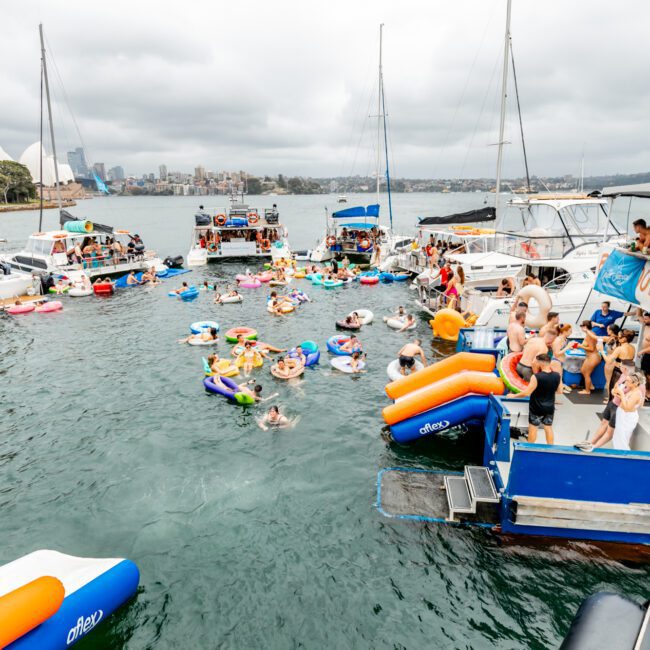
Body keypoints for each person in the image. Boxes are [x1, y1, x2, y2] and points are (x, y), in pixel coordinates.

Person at [578, 360, 635, 452]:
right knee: (603, 423)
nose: (619, 367)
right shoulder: (622, 375)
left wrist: (620, 394)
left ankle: (594, 447)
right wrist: (615, 391)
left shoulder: (633, 381)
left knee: (610, 431)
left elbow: (637, 397)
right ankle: (590, 443)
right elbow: (616, 387)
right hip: (613, 403)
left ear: (624, 368)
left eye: (620, 366)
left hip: (619, 408)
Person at [511, 353, 561, 444]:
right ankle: (551, 448)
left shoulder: (536, 377)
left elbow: (527, 393)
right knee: (548, 427)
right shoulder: (557, 375)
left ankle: (530, 449)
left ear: (539, 363)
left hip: (536, 407)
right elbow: (560, 391)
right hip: (549, 407)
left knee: (533, 429)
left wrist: (513, 395)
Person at [611, 373, 645, 450]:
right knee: (618, 438)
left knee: (622, 440)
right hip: (622, 415)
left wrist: (622, 394)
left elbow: (627, 408)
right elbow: (623, 400)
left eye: (628, 381)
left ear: (635, 383)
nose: (625, 382)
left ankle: (623, 457)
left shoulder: (636, 393)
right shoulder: (631, 390)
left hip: (627, 418)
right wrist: (617, 393)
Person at [579, 320, 600, 394]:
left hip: (593, 357)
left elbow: (591, 349)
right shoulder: (590, 334)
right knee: (582, 370)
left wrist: (580, 346)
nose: (580, 327)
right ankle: (591, 386)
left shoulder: (590, 335)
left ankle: (587, 391)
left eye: (581, 326)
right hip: (590, 356)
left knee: (587, 373)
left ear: (585, 327)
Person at [638, 311, 650, 397]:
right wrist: (639, 304)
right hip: (646, 355)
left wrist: (642, 351)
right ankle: (647, 391)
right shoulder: (646, 325)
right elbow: (638, 315)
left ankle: (648, 393)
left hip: (648, 354)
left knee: (649, 376)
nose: (644, 320)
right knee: (645, 375)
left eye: (646, 319)